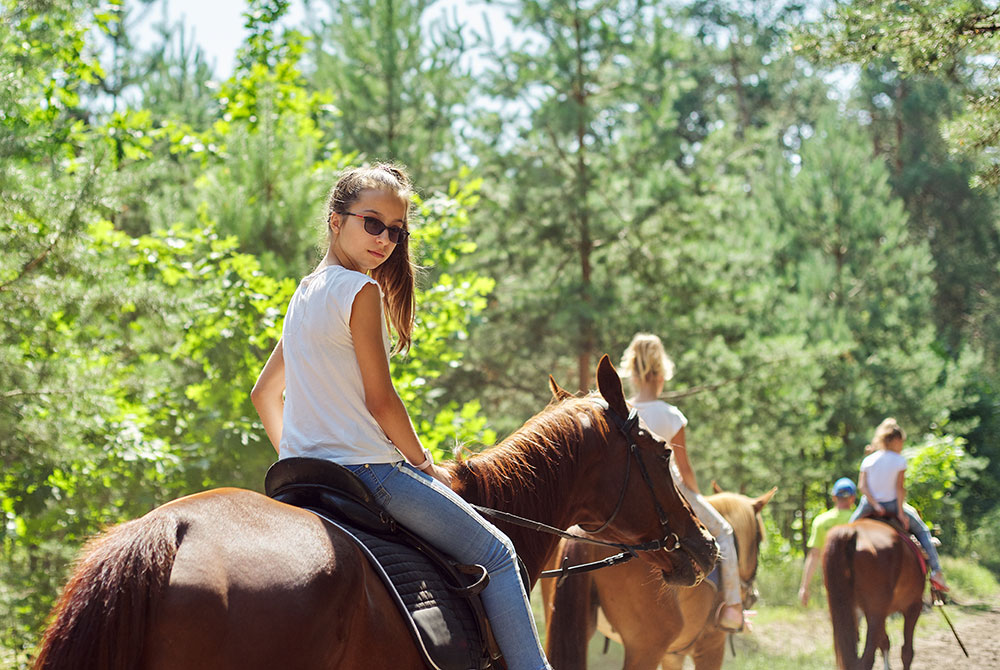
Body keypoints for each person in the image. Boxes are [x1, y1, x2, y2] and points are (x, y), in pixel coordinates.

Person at [251, 163, 552, 670]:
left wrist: (299, 455)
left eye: (396, 230)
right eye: (372, 223)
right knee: (498, 554)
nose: (385, 240)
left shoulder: (303, 293)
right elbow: (381, 400)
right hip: (370, 472)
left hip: (304, 475)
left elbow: (264, 394)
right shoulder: (360, 291)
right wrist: (426, 465)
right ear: (334, 220)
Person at [619, 333, 745, 632]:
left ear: (633, 374)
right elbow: (684, 468)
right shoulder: (671, 415)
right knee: (724, 532)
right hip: (672, 492)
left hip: (628, 497)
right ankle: (733, 608)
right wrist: (696, 496)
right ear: (661, 375)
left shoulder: (621, 411)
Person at [848, 417, 948, 592]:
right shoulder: (899, 460)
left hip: (869, 505)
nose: (902, 446)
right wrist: (900, 512)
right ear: (894, 440)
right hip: (893, 504)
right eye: (901, 442)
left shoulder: (868, 460)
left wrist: (875, 505)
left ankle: (843, 570)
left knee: (847, 533)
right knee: (923, 530)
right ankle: (936, 572)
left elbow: (862, 486)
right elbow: (899, 488)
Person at [797, 477, 856, 606]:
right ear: (853, 498)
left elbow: (814, 555)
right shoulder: (859, 520)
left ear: (834, 497)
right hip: (858, 578)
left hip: (832, 578)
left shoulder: (821, 521)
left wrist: (804, 587)